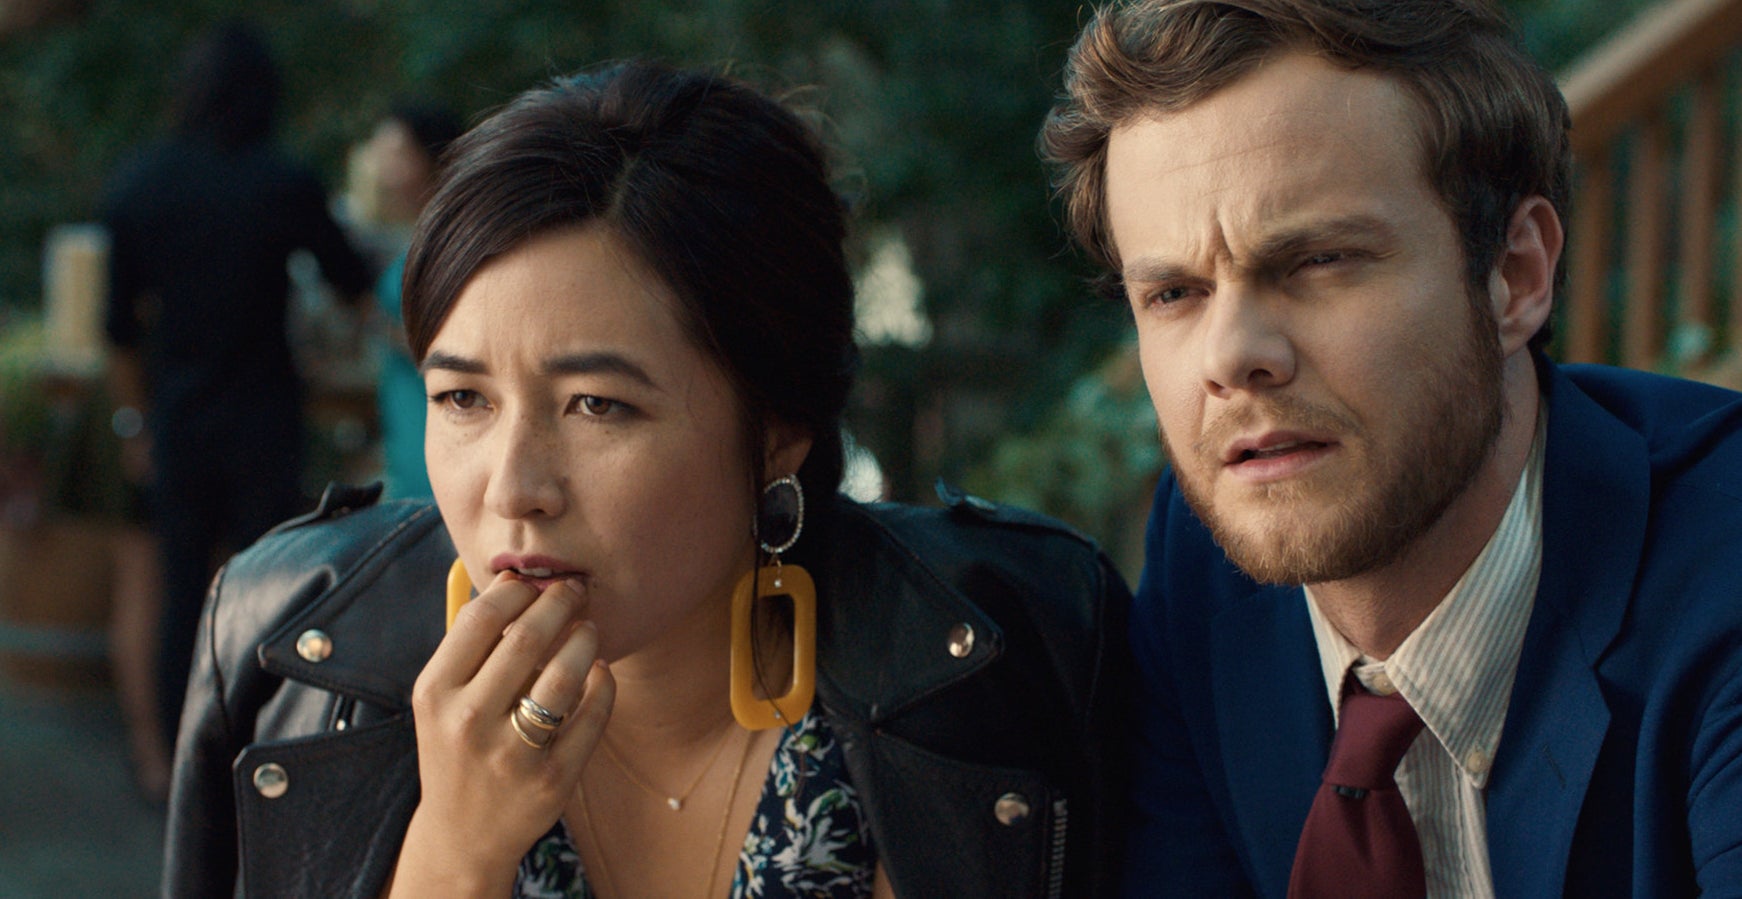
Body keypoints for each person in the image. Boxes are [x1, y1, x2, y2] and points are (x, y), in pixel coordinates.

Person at [163, 61, 1131, 898]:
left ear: (778, 426)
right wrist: (455, 853)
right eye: (462, 399)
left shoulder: (1013, 659)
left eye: (597, 405)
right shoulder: (284, 650)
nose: (512, 487)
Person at [1042, 0, 1742, 895]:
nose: (1230, 358)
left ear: (1516, 277)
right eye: (1175, 293)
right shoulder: (1212, 560)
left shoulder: (1718, 578)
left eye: (1319, 261)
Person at [102, 20, 373, 759]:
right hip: (262, 414)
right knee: (266, 590)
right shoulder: (283, 181)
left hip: (178, 417)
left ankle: (169, 763)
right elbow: (351, 281)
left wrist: (136, 425)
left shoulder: (140, 182)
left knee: (181, 592)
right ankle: (255, 755)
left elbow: (117, 330)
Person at [357, 100, 464, 501]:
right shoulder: (415, 239)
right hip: (408, 428)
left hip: (430, 433)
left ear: (434, 159)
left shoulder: (448, 246)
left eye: (397, 155)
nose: (383, 171)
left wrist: (374, 322)